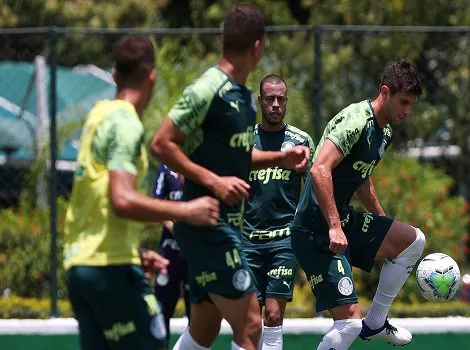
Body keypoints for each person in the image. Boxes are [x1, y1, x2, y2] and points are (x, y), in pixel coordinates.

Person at [150, 5, 310, 350]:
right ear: (257, 45)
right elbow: (162, 144)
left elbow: (235, 157)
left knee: (203, 330)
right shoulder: (209, 89)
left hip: (222, 227)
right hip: (208, 228)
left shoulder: (244, 98)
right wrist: (214, 181)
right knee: (252, 326)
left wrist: (281, 156)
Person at [64, 36, 220, 350]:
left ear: (114, 73)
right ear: (152, 75)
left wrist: (135, 254)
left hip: (80, 266)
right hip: (110, 270)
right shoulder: (126, 123)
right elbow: (122, 199)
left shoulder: (98, 115)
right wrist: (187, 211)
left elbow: (98, 198)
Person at [291, 58, 425, 349]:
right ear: (385, 92)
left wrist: (382, 223)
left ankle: (376, 322)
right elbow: (319, 169)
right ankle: (364, 324)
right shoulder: (355, 120)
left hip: (344, 221)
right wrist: (335, 228)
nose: (407, 111)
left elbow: (361, 178)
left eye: (412, 105)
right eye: (403, 102)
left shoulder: (385, 131)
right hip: (315, 230)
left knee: (413, 240)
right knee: (349, 323)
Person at [242, 74, 315, 350]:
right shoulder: (246, 139)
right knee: (249, 320)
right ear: (260, 100)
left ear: (286, 101)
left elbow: (317, 184)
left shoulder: (301, 140)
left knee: (273, 314)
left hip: (284, 240)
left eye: (280, 99)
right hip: (248, 241)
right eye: (269, 99)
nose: (275, 105)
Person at [152, 164, 191, 340]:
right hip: (170, 253)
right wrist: (176, 230)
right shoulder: (166, 169)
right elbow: (156, 204)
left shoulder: (201, 164)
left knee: (198, 312)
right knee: (162, 309)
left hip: (195, 253)